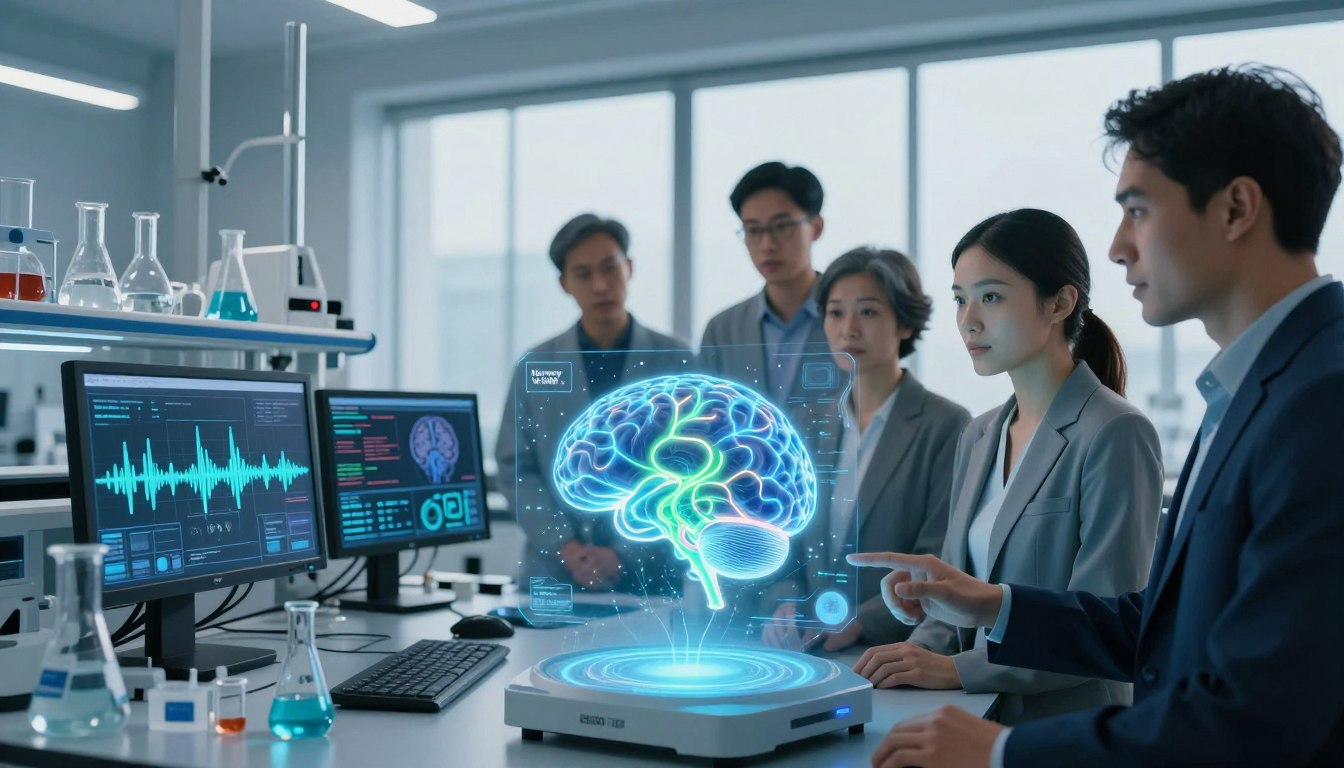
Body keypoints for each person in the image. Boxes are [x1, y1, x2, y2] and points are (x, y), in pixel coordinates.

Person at [853, 65, 1344, 768]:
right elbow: (1160, 627)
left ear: (1236, 208)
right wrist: (989, 603)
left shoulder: (1321, 400)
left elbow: (1258, 714)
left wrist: (1003, 753)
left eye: (1138, 209)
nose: (1118, 245)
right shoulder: (1248, 388)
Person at [851, 209, 1162, 725]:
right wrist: (909, 649)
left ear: (1060, 302)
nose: (969, 318)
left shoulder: (1114, 432)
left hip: (1066, 730)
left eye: (991, 297)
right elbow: (957, 611)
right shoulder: (978, 435)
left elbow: (1105, 628)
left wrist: (956, 670)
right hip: (971, 719)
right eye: (959, 299)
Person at [762, 246, 969, 651]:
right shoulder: (804, 423)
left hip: (898, 651)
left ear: (905, 324)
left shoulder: (947, 426)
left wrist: (861, 622)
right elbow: (781, 536)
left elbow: (940, 556)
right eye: (836, 313)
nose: (848, 329)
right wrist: (785, 603)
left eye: (869, 312)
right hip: (806, 648)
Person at [496, 213, 687, 596]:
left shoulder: (674, 361)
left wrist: (624, 552)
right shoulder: (539, 367)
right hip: (554, 572)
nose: (600, 285)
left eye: (610, 268)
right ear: (564, 283)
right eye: (583, 274)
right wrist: (568, 548)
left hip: (650, 574)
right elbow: (516, 466)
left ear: (629, 268)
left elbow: (688, 469)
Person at [700, 161, 829, 403]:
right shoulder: (722, 331)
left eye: (782, 226)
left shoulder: (851, 321)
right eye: (753, 230)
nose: (767, 244)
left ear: (816, 227)